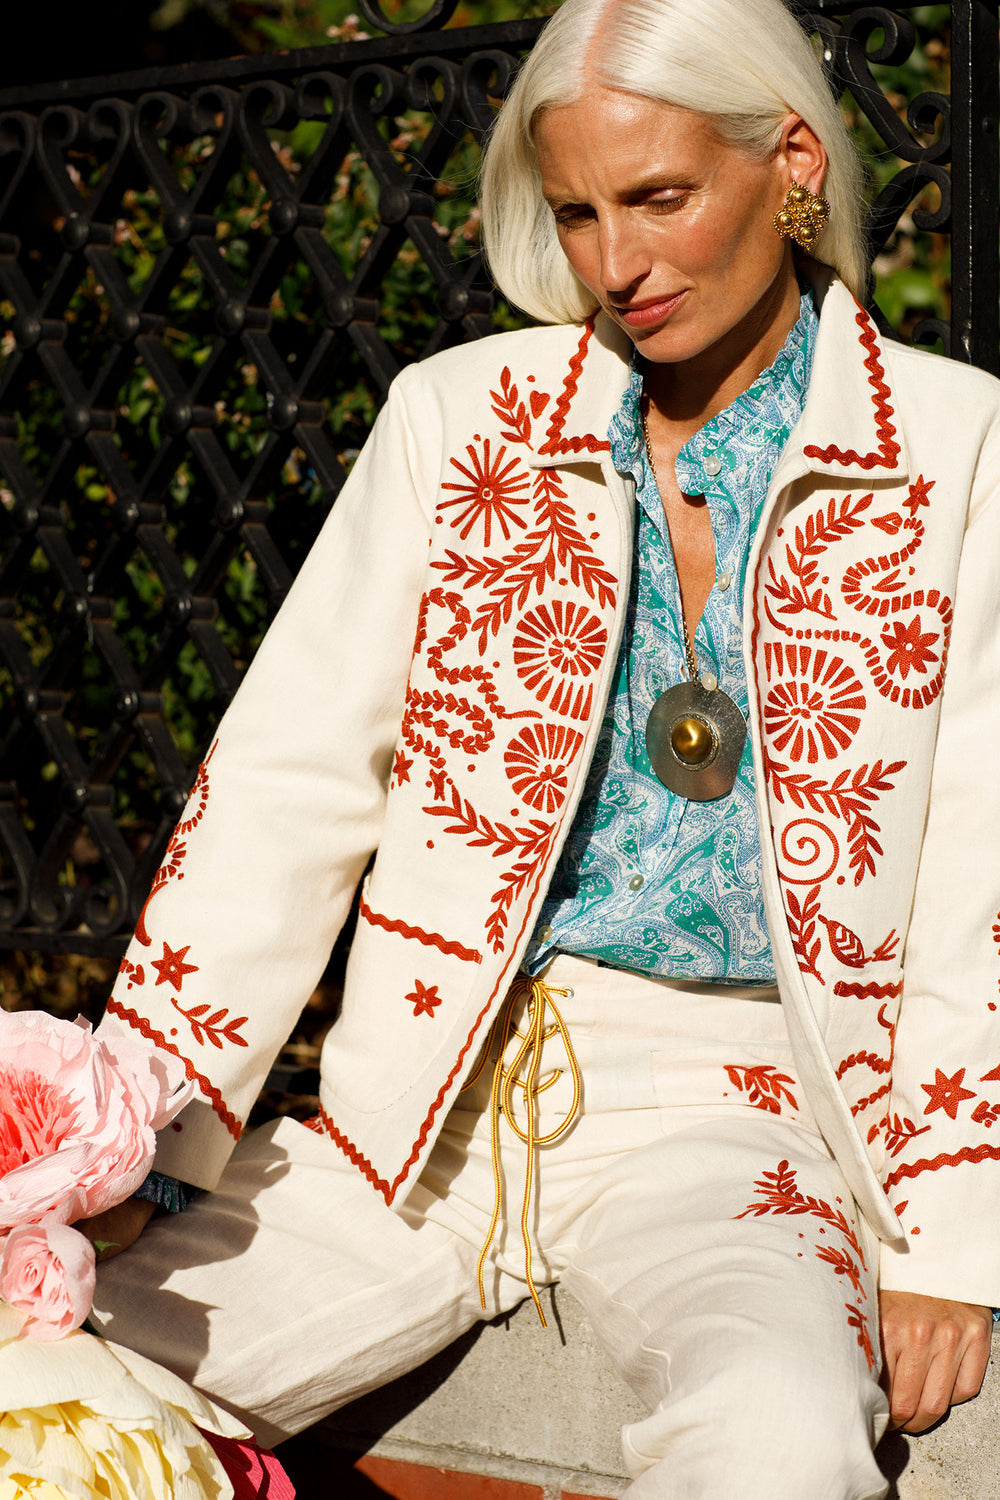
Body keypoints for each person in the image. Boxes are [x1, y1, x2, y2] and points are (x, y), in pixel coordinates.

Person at [89, 0, 999, 1493]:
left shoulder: (957, 451)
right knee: (48, 1366)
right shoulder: (462, 419)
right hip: (418, 1110)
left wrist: (952, 1230)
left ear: (787, 166)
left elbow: (982, 846)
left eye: (659, 199)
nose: (615, 264)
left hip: (746, 1130)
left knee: (778, 1443)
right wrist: (135, 1145)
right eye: (577, 213)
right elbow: (291, 782)